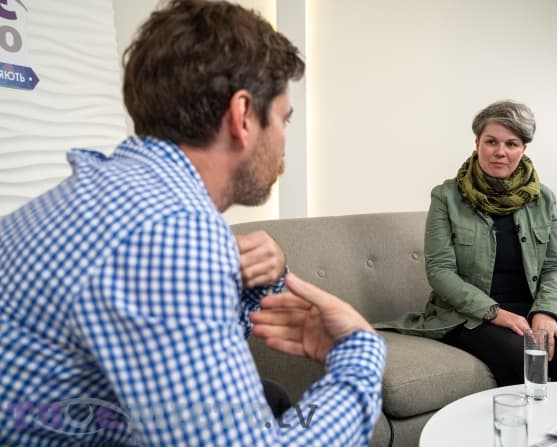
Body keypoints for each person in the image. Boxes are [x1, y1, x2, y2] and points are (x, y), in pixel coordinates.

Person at [0, 1, 386, 445]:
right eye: (283, 119)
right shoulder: (169, 233)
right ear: (243, 115)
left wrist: (251, 290)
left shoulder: (110, 191)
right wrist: (361, 351)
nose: (283, 143)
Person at [376, 100, 557, 386]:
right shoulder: (446, 196)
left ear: (523, 148)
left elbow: (556, 265)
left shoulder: (543, 198)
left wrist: (546, 311)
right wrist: (494, 313)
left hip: (530, 306)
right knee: (523, 357)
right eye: (491, 141)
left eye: (511, 143)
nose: (500, 152)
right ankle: (524, 417)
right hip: (469, 315)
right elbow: (440, 271)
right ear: (477, 143)